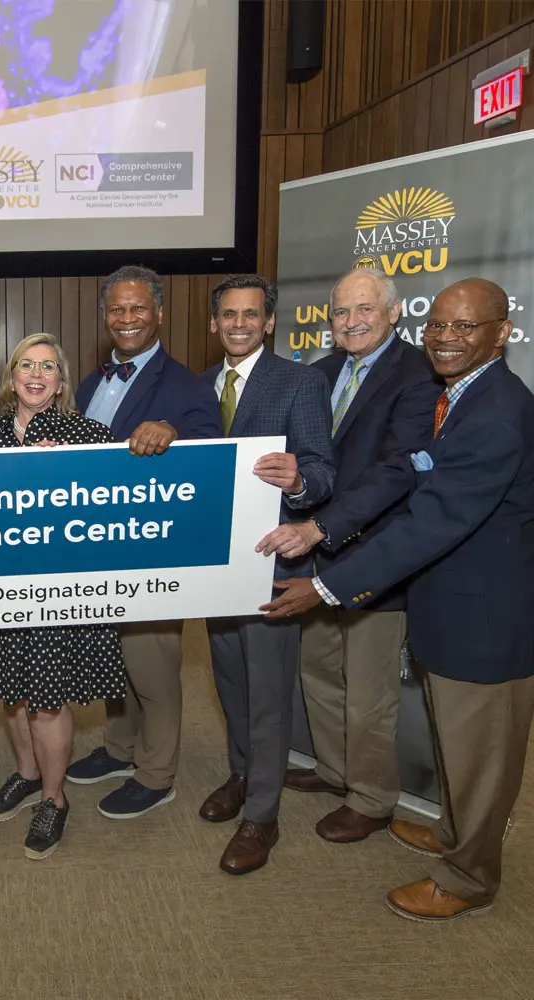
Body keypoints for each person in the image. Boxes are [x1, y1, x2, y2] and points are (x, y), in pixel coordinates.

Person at [264, 278, 534, 922]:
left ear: (501, 333)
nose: (446, 337)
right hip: (448, 598)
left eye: (465, 327)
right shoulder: (462, 396)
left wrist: (326, 582)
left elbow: (432, 517)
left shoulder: (495, 412)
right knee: (457, 746)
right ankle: (452, 833)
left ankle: (469, 877)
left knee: (481, 754)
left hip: (485, 617)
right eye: (438, 324)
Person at [257, 268, 442, 844]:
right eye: (341, 312)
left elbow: (396, 470)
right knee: (319, 671)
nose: (351, 321)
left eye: (364, 309)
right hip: (315, 556)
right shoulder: (321, 373)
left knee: (369, 690)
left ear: (393, 313)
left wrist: (319, 527)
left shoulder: (419, 375)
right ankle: (336, 771)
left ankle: (371, 797)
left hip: (376, 556)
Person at [66, 265, 220, 820]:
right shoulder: (91, 383)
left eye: (137, 309)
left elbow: (213, 452)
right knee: (116, 659)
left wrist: (177, 434)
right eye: (116, 310)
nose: (126, 319)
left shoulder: (185, 386)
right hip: (102, 545)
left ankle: (157, 775)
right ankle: (119, 748)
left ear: (158, 313)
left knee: (152, 664)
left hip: (154, 550)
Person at [0, 333, 126, 859]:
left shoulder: (91, 436)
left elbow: (114, 517)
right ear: (11, 378)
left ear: (60, 381)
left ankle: (54, 800)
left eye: (48, 366)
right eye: (25, 365)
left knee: (48, 702)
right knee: (11, 694)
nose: (36, 375)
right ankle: (27, 774)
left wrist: (68, 473)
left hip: (60, 595)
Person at [197, 274, 334, 875]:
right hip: (212, 566)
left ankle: (263, 814)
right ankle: (242, 772)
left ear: (269, 322)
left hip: (273, 562)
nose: (239, 324)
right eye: (228, 315)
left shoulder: (300, 382)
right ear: (213, 323)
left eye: (250, 315)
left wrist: (300, 481)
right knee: (229, 679)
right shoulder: (201, 388)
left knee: (270, 692)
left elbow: (326, 472)